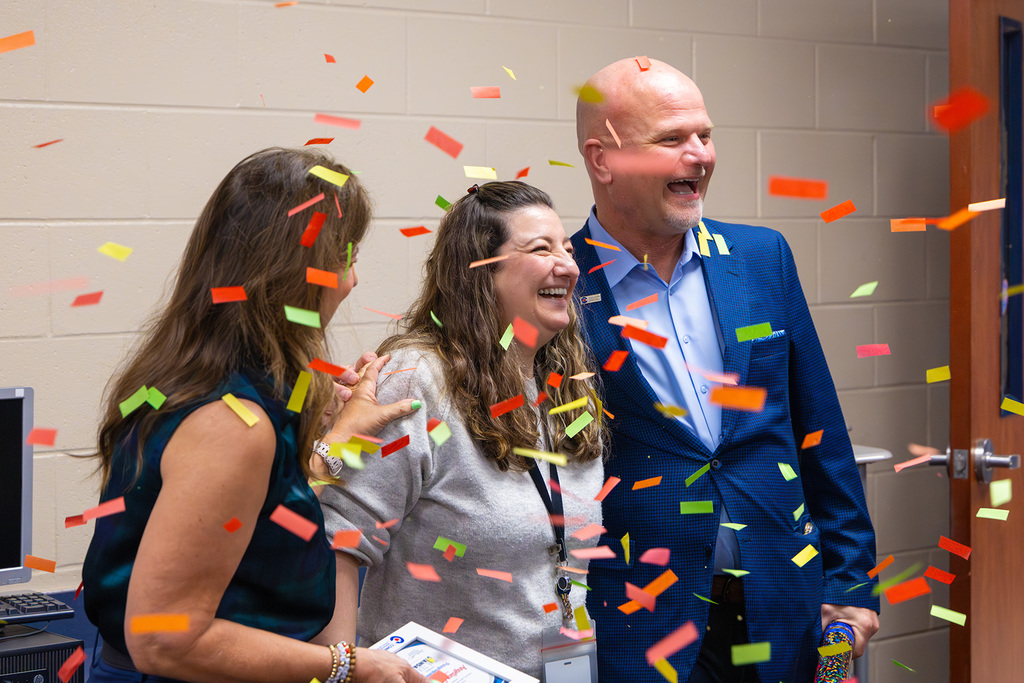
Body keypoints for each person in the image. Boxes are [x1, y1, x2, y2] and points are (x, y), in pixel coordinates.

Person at [570, 59, 880, 682]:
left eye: (705, 136)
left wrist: (852, 583)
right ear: (603, 160)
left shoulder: (763, 259)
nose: (700, 156)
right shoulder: (561, 286)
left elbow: (820, 433)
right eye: (671, 140)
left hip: (783, 607)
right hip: (643, 620)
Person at [82, 147, 426, 683]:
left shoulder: (198, 372)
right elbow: (164, 638)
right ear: (300, 272)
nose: (353, 280)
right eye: (347, 258)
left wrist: (334, 443)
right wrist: (346, 666)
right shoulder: (229, 423)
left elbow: (250, 521)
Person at [317, 181, 606, 679]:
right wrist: (343, 669)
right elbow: (340, 541)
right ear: (480, 273)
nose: (569, 265)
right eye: (541, 249)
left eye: (567, 247)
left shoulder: (565, 387)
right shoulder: (417, 380)